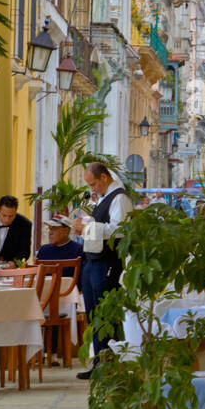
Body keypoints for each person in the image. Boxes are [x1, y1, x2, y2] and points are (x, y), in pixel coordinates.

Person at [70, 161, 133, 378]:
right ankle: (99, 361)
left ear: (104, 177)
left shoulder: (120, 198)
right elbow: (101, 223)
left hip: (107, 262)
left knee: (104, 313)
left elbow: (119, 229)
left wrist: (87, 226)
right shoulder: (106, 197)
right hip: (93, 261)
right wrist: (83, 223)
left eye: (94, 183)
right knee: (94, 313)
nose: (92, 189)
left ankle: (109, 363)